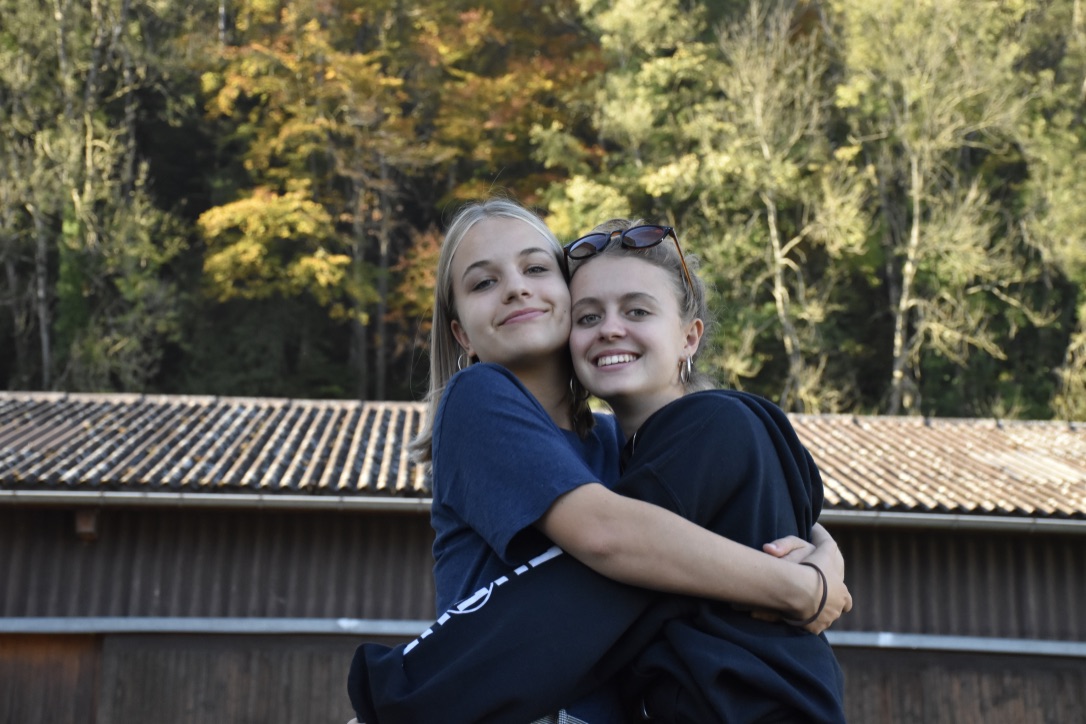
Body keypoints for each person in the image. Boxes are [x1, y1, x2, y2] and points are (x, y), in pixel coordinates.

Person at [347, 200, 850, 723]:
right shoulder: (479, 397)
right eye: (484, 283)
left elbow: (714, 518)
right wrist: (800, 587)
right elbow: (609, 537)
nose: (516, 289)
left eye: (535, 269)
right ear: (462, 335)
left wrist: (823, 550)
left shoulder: (618, 442)